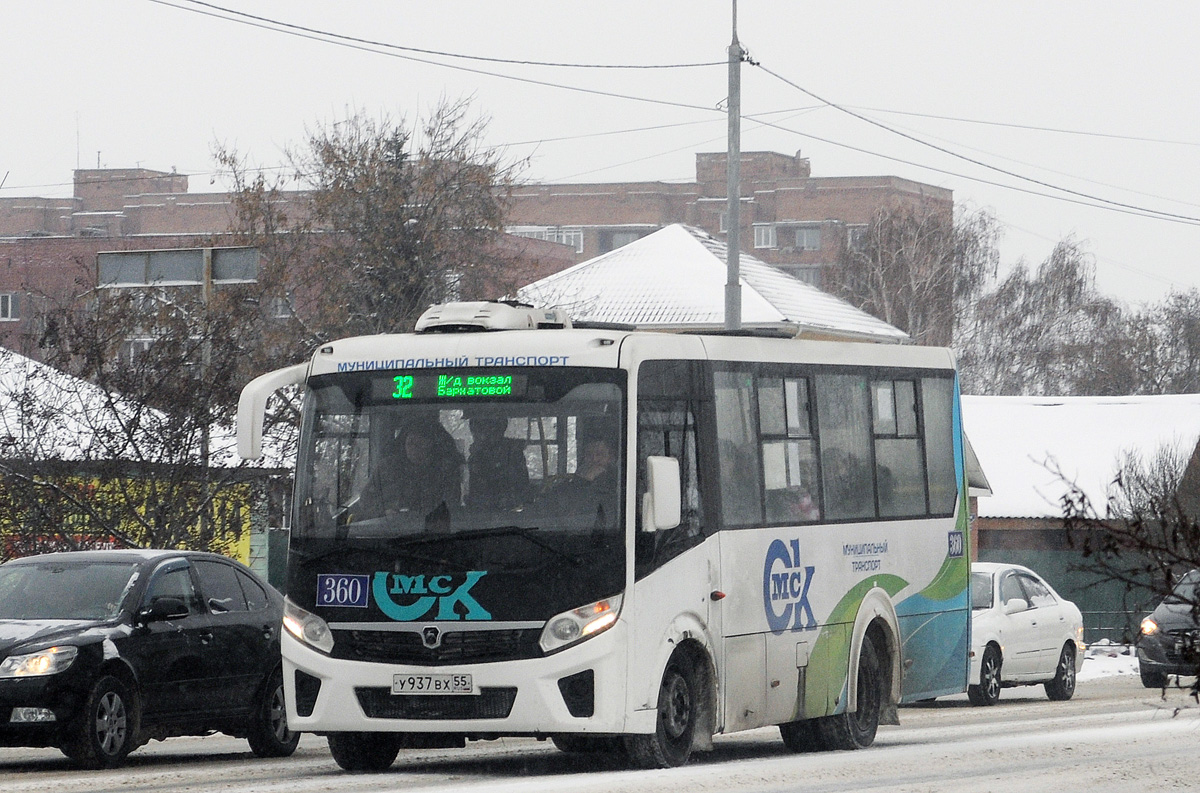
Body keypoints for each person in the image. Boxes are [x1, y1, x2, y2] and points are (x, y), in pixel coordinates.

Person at [359, 417, 462, 518]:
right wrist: (383, 513)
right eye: (410, 443)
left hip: (434, 531)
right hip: (390, 531)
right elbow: (365, 502)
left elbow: (452, 506)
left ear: (431, 444)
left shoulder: (445, 471)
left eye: (419, 444)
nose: (412, 448)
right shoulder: (387, 468)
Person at [466, 415, 530, 509]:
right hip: (481, 516)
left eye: (483, 430)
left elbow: (521, 491)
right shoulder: (477, 456)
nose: (479, 436)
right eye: (476, 431)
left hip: (508, 515)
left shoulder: (511, 454)